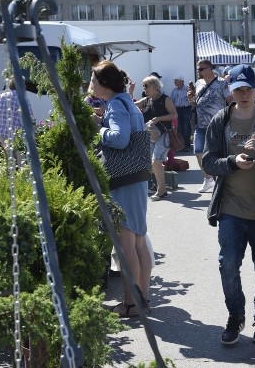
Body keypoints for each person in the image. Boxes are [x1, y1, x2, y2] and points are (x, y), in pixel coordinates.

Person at [202, 64, 255, 346]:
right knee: (228, 265)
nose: (244, 93)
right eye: (238, 89)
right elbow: (207, 161)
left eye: (248, 88)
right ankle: (235, 316)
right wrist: (232, 163)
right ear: (231, 90)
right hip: (230, 209)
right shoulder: (221, 121)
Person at [90, 60, 151, 318]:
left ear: (104, 84)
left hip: (123, 179)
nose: (90, 85)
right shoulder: (127, 101)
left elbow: (119, 138)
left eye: (93, 80)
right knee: (138, 240)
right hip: (137, 176)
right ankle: (142, 298)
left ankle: (130, 303)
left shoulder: (115, 104)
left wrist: (98, 129)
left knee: (127, 244)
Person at [190, 59, 232, 193]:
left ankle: (220, 179)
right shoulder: (198, 83)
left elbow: (230, 101)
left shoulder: (222, 84)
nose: (198, 71)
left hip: (217, 125)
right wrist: (191, 99)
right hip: (200, 124)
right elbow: (194, 104)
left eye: (201, 69)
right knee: (198, 152)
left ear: (209, 69)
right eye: (198, 69)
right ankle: (208, 179)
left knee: (218, 153)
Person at [135, 75, 178, 201]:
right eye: (143, 86)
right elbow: (132, 105)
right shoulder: (146, 100)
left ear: (155, 87)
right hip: (151, 135)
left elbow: (174, 115)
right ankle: (159, 185)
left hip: (164, 134)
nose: (144, 88)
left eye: (146, 86)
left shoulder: (165, 99)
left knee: (156, 161)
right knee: (152, 163)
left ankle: (162, 190)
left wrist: (159, 119)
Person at [0, 78, 32, 150]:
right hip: (19, 136)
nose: (25, 86)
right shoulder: (22, 98)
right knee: (20, 159)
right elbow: (29, 117)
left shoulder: (1, 97)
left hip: (4, 135)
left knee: (8, 158)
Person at [170, 76, 192, 151]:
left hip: (186, 109)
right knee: (179, 128)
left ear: (180, 81)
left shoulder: (187, 89)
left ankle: (187, 145)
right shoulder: (174, 90)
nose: (174, 82)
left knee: (186, 127)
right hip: (177, 110)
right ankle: (181, 145)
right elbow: (171, 100)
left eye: (175, 80)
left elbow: (191, 99)